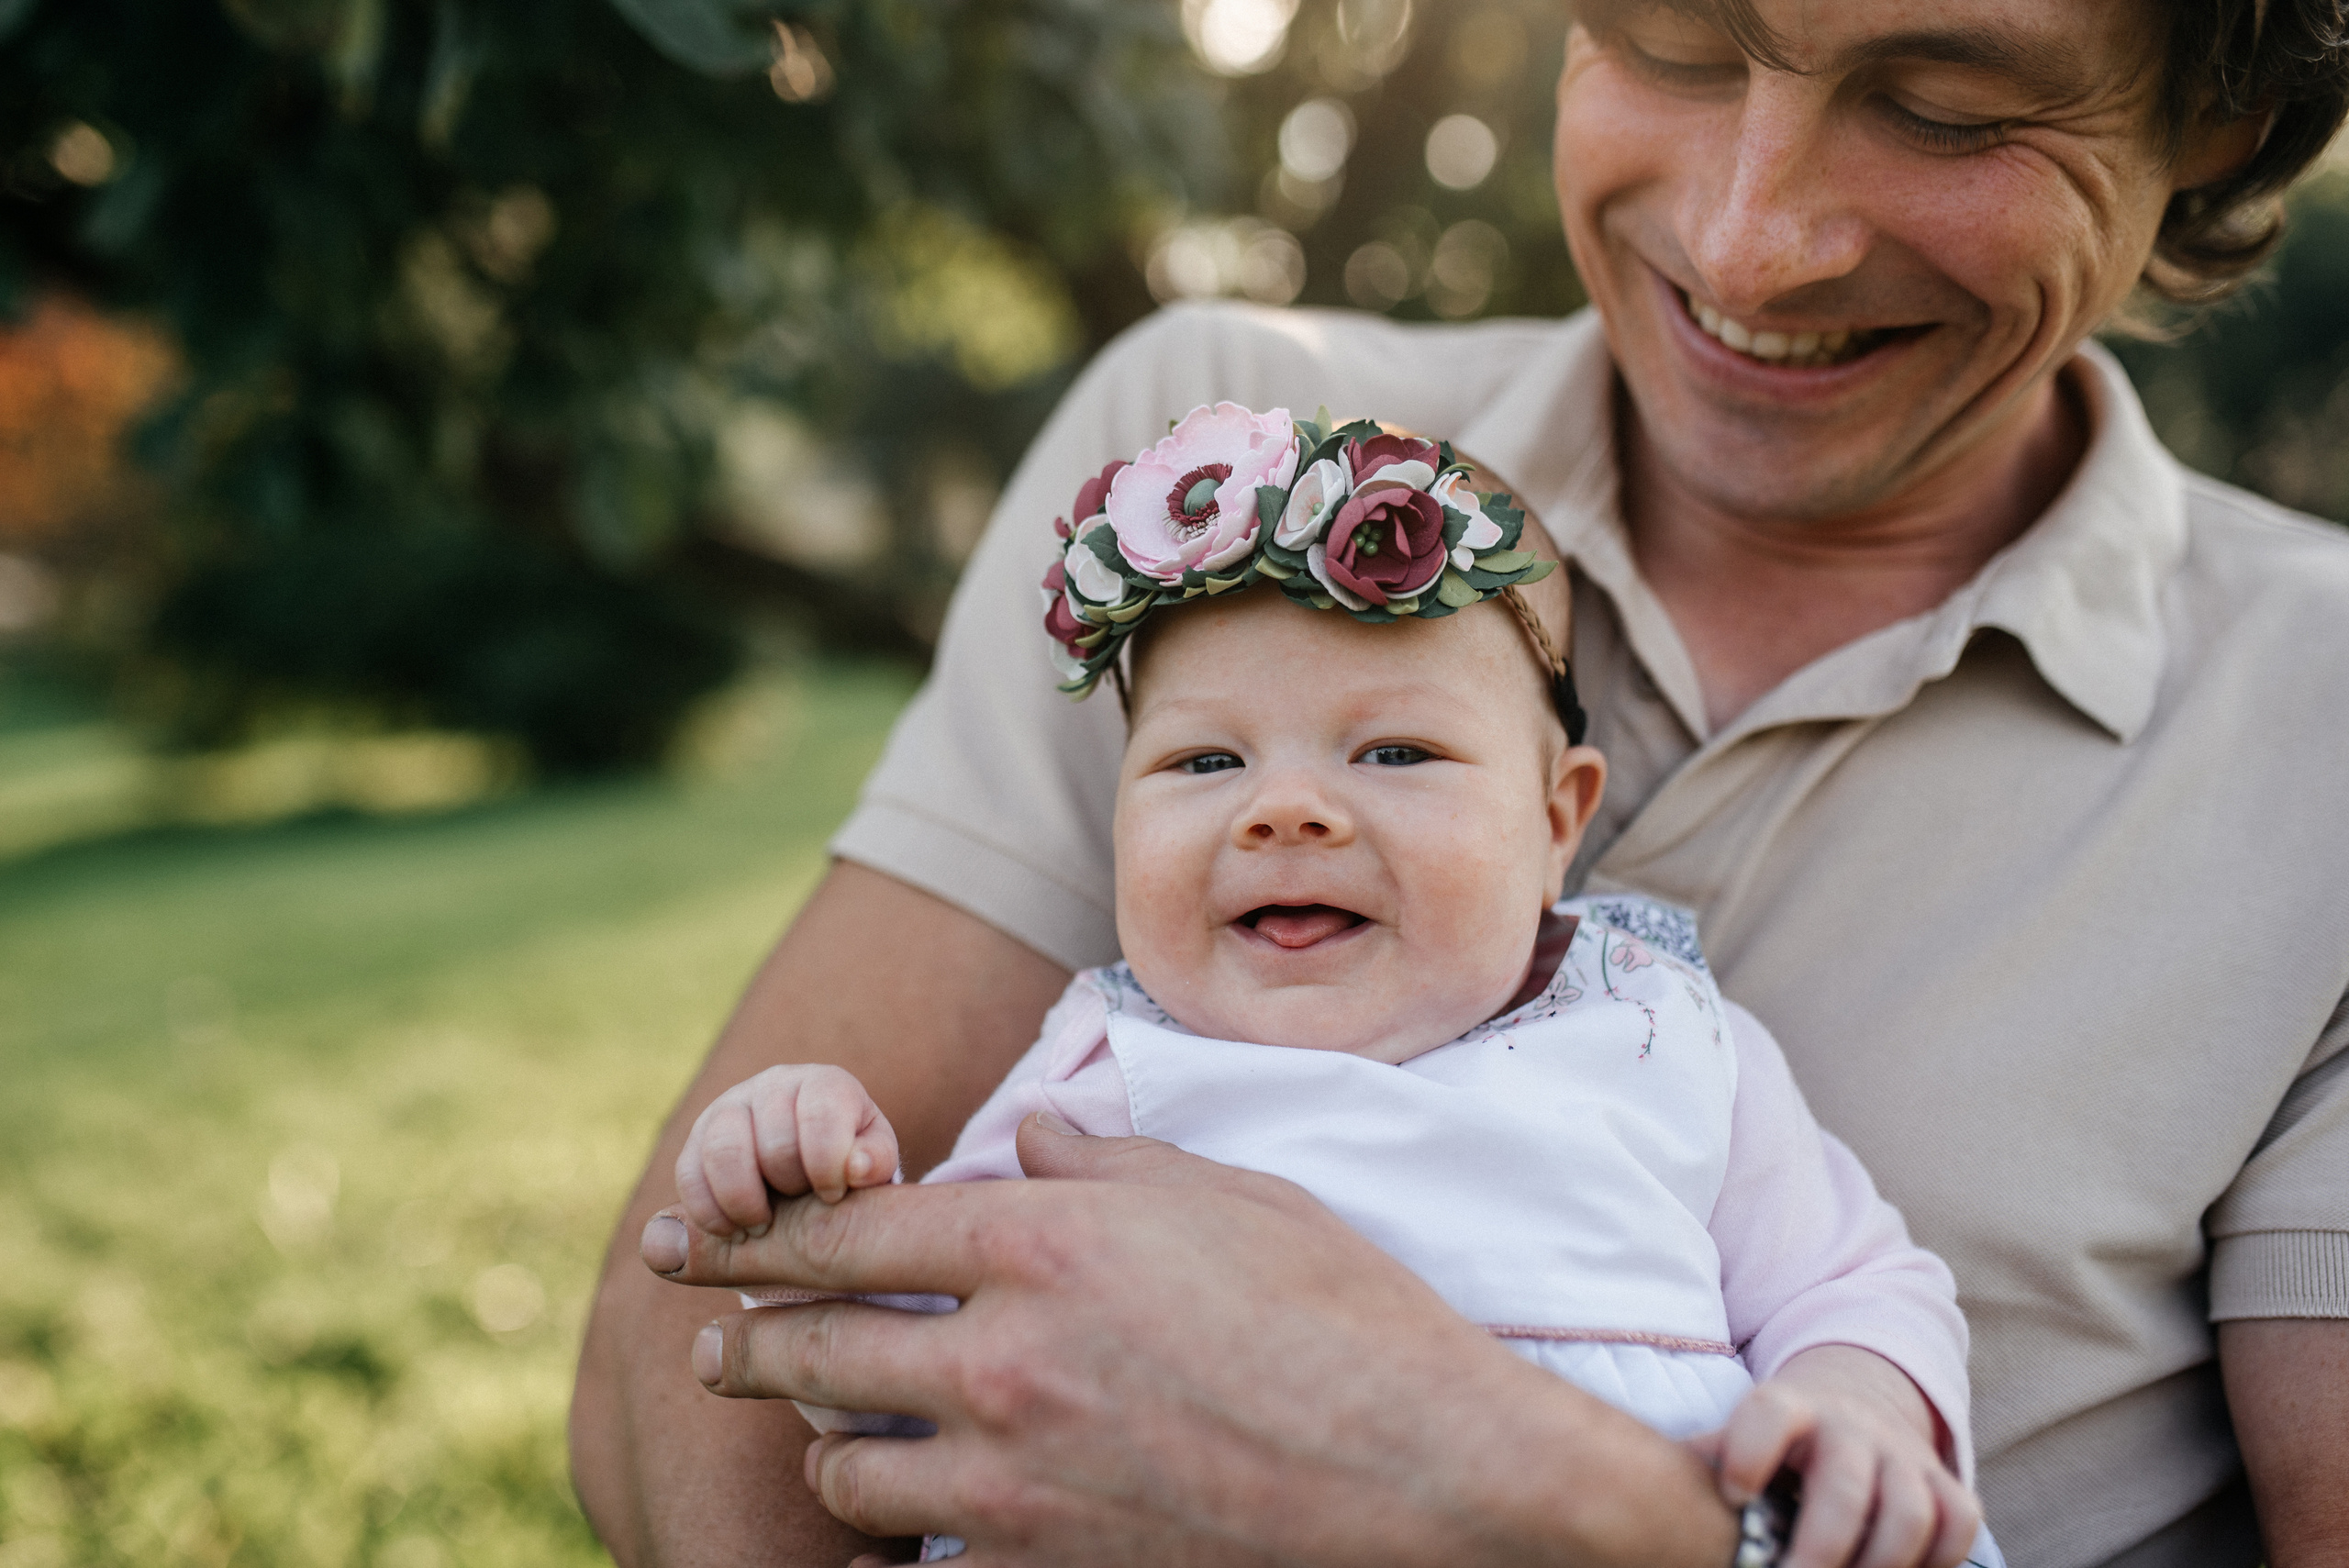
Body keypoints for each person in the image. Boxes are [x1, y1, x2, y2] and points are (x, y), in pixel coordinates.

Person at [570, 2, 2349, 1564]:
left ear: (2219, 113)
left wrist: (1569, 1518)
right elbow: (711, 1355)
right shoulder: (1219, 490)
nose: (1745, 246)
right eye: (1663, 39)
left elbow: (1853, 1305)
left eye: (1948, 105)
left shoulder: (2311, 718)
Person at [667, 411, 1996, 1567]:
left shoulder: (1658, 1029)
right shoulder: (1096, 1080)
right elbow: (928, 1378)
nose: (1286, 809)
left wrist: (1860, 1407)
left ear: (1556, 820)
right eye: (1202, 764)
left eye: (1397, 749)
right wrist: (809, 1181)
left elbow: (1853, 1277)